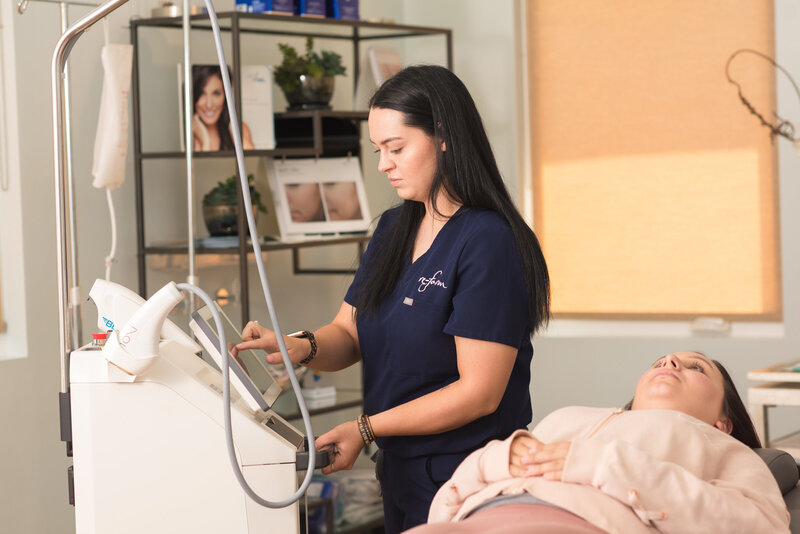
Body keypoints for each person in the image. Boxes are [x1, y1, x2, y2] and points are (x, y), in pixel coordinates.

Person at [233, 65, 551, 533]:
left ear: (443, 137)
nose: (383, 164)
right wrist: (297, 346)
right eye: (378, 150)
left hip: (466, 477)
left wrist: (366, 428)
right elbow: (348, 332)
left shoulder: (487, 241)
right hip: (399, 472)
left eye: (396, 148)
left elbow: (479, 393)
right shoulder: (392, 229)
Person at [406, 352, 791, 534]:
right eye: (660, 361)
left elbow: (759, 528)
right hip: (473, 520)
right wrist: (497, 460)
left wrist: (603, 465)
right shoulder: (570, 415)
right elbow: (444, 505)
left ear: (724, 421)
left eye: (695, 368)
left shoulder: (726, 449)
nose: (670, 363)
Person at [192, 65, 254, 152]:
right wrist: (205, 143)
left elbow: (250, 163)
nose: (209, 105)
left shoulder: (239, 128)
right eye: (202, 93)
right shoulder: (188, 137)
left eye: (216, 93)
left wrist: (234, 132)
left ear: (226, 96)